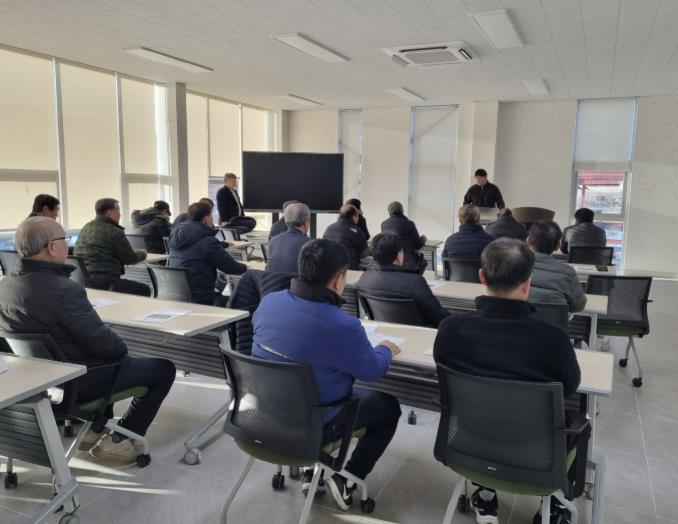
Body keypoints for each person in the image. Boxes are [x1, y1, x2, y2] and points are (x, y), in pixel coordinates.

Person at [0, 217, 176, 464]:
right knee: (163, 369)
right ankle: (122, 441)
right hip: (80, 381)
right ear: (52, 247)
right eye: (65, 239)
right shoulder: (65, 290)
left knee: (101, 357)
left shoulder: (6, 285)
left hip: (41, 382)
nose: (68, 245)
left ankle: (93, 430)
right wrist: (121, 347)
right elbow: (105, 344)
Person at [433, 238, 581, 524]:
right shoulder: (554, 339)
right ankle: (553, 506)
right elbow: (570, 387)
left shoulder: (450, 329)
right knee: (579, 420)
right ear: (528, 283)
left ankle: (485, 495)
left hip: (469, 439)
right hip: (534, 450)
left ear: (481, 277)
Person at [252, 239, 402, 510]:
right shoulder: (343, 326)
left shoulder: (269, 302)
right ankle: (349, 477)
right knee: (387, 407)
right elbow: (372, 371)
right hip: (314, 423)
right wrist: (384, 349)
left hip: (264, 414)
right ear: (337, 280)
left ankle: (313, 469)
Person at [357, 233, 449, 327]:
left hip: (385, 331)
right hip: (421, 332)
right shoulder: (415, 282)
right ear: (398, 256)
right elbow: (439, 316)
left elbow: (368, 312)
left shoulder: (365, 279)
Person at [168, 201, 247, 305]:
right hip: (201, 297)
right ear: (206, 219)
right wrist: (245, 268)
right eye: (211, 216)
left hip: (175, 295)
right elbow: (230, 267)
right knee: (239, 302)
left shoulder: (175, 238)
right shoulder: (208, 241)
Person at [75, 198, 150, 296]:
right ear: (109, 213)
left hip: (83, 281)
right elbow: (130, 258)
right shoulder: (114, 231)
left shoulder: (86, 227)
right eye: (118, 211)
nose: (120, 215)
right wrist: (143, 253)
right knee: (144, 289)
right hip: (106, 283)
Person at [528, 220, 586, 313]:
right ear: (558, 246)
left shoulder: (513, 266)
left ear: (529, 241)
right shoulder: (567, 272)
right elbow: (578, 306)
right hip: (553, 322)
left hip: (517, 321)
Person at [380, 201, 427, 271]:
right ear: (402, 211)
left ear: (389, 212)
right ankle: (416, 277)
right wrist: (423, 239)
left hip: (390, 262)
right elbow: (418, 245)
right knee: (424, 262)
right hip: (409, 263)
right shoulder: (409, 224)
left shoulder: (384, 224)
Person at [266, 202, 310, 273]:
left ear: (286, 221)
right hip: (293, 280)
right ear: (306, 222)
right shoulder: (311, 244)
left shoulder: (274, 240)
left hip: (271, 280)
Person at [323, 204, 368, 270]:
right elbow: (365, 253)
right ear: (354, 217)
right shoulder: (357, 232)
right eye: (358, 216)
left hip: (330, 269)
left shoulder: (329, 228)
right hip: (350, 270)